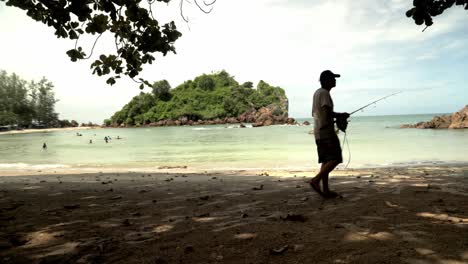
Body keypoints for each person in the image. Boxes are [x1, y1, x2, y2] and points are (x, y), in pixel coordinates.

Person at [309, 70, 349, 198]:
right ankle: (316, 180)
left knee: (326, 161)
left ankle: (326, 190)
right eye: (332, 78)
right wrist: (340, 115)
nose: (335, 80)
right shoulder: (324, 93)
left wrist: (337, 117)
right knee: (336, 158)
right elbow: (327, 113)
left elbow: (320, 114)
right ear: (325, 80)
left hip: (319, 131)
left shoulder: (317, 93)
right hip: (326, 132)